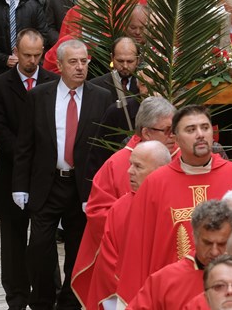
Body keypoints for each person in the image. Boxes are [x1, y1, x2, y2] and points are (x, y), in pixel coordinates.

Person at [115, 105, 232, 305]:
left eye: (205, 128)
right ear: (175, 137)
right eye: (191, 130)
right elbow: (137, 251)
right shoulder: (155, 184)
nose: (200, 135)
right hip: (175, 295)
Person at [12, 39, 114, 309]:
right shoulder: (39, 96)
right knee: (39, 248)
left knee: (77, 251)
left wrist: (98, 189)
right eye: (73, 62)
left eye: (84, 61)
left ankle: (69, 302)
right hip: (47, 183)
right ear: (59, 65)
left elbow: (106, 150)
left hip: (82, 188)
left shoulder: (102, 97)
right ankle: (43, 300)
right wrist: (19, 186)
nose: (80, 67)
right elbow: (25, 145)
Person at [71, 97, 178, 304]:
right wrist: (138, 229)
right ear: (146, 133)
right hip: (124, 262)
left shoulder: (181, 160)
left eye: (175, 129)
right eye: (166, 130)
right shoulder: (117, 163)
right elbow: (97, 212)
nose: (173, 136)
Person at [0, 28, 57, 310]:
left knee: (44, 236)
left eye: (37, 56)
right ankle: (16, 296)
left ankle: (47, 291)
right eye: (27, 55)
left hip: (45, 175)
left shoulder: (53, 83)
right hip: (11, 172)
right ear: (16, 52)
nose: (31, 61)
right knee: (14, 240)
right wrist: (25, 155)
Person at [84, 140, 172, 309]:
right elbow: (109, 260)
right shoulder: (120, 207)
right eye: (130, 164)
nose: (129, 171)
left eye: (138, 167)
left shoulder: (176, 204)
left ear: (160, 171)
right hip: (127, 296)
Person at [126, 200, 232, 309]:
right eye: (207, 243)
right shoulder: (165, 281)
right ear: (194, 237)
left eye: (222, 244)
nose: (215, 251)